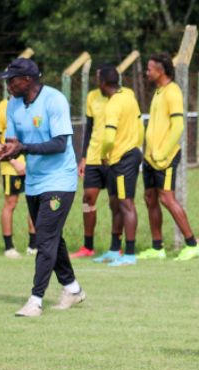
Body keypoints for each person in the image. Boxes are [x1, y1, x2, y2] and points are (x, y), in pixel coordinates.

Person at [0, 58, 85, 317]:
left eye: (11, 80)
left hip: (60, 179)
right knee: (52, 238)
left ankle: (35, 300)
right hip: (35, 181)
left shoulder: (54, 100)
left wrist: (24, 148)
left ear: (27, 80)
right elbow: (14, 141)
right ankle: (73, 288)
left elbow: (60, 143)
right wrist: (9, 150)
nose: (8, 85)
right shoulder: (12, 105)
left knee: (44, 238)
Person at [137, 53, 199, 261]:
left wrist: (162, 152)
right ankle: (158, 248)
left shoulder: (173, 92)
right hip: (150, 159)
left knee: (167, 198)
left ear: (161, 70)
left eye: (149, 69)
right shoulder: (159, 92)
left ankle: (192, 244)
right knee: (150, 198)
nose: (146, 72)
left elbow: (178, 126)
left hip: (165, 159)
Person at [91, 65, 144, 267]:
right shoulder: (129, 94)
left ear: (103, 83)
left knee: (126, 204)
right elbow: (139, 126)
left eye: (98, 79)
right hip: (122, 158)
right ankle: (114, 249)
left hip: (122, 159)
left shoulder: (113, 104)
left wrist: (104, 154)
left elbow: (109, 138)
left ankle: (129, 253)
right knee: (114, 202)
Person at [70, 66, 119, 259]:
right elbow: (89, 128)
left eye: (98, 78)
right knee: (88, 199)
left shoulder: (124, 96)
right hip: (93, 158)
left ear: (105, 81)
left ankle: (116, 246)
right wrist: (83, 157)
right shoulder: (92, 97)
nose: (96, 81)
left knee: (116, 202)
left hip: (115, 158)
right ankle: (87, 247)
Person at [0, 97, 36, 258]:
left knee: (35, 203)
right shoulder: (1, 108)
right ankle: (9, 247)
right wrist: (14, 162)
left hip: (33, 164)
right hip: (11, 167)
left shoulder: (34, 106)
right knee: (11, 203)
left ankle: (34, 245)